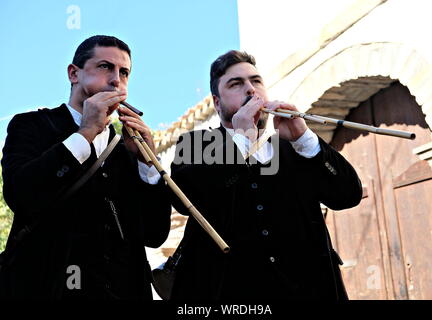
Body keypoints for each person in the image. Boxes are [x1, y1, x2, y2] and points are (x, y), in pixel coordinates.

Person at [169, 50, 362, 301]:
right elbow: (186, 200)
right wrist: (241, 140)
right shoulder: (195, 144)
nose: (250, 89)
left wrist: (305, 139)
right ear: (217, 103)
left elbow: (347, 195)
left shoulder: (294, 146)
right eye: (236, 84)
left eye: (256, 81)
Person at [0, 35, 171, 299]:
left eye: (124, 72)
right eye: (105, 67)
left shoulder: (127, 150)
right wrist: (86, 132)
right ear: (73, 73)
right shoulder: (31, 125)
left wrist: (148, 164)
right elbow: (20, 195)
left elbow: (154, 234)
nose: (116, 80)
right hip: (49, 288)